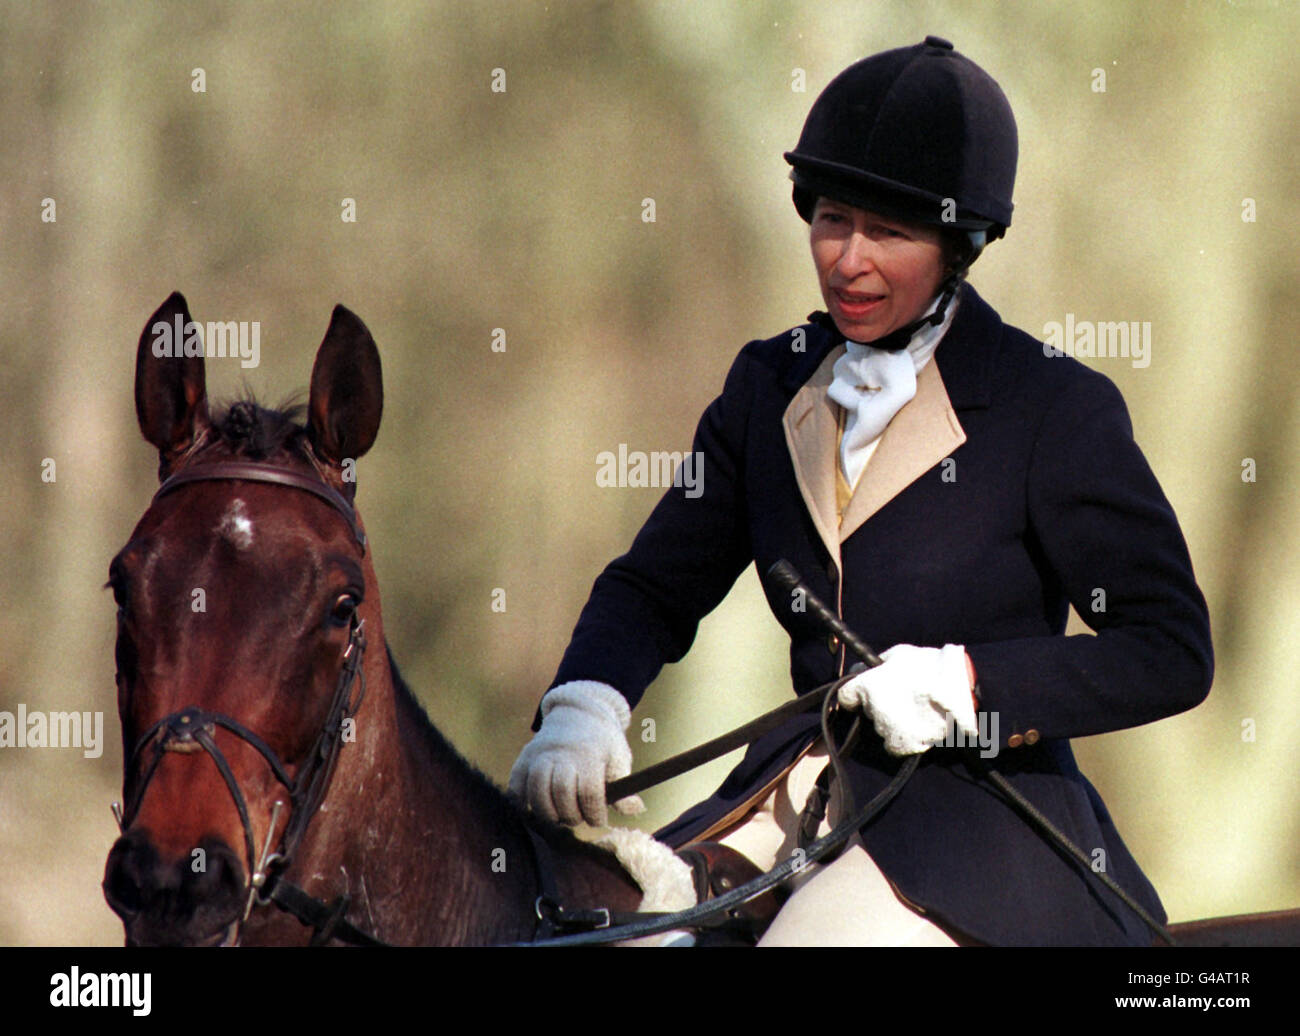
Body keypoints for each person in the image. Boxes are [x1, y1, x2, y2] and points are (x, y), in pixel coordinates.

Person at [509, 36, 1213, 946]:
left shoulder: (1054, 408)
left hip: (976, 822)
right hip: (792, 795)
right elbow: (655, 584)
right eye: (833, 219)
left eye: (890, 232)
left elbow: (1168, 650)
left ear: (959, 247)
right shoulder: (769, 389)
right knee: (606, 932)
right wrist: (586, 705)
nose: (848, 259)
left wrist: (968, 685)